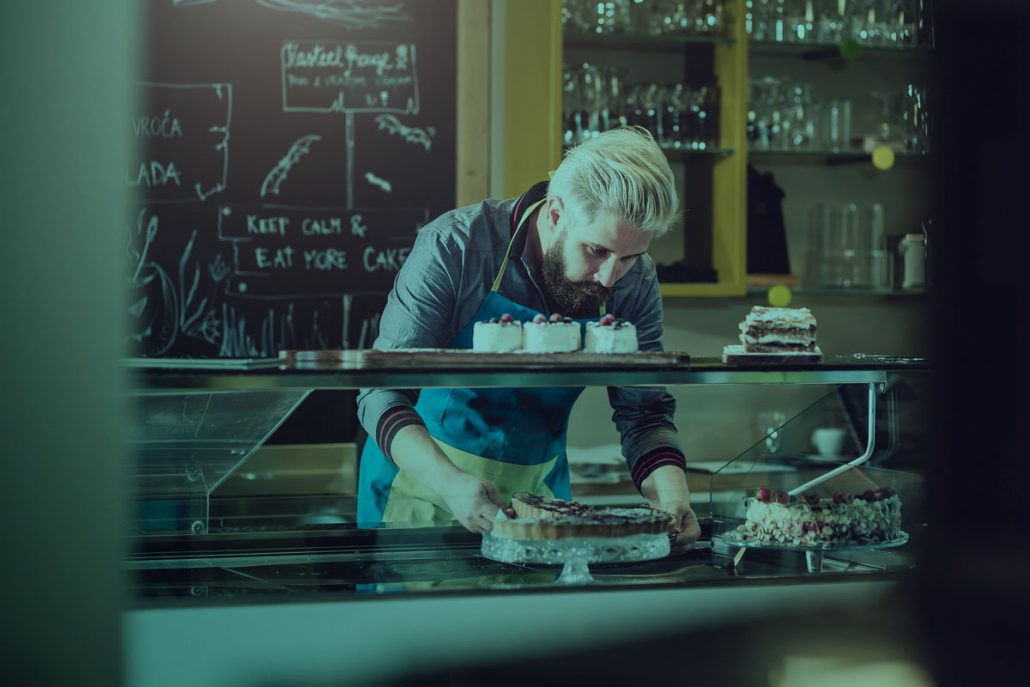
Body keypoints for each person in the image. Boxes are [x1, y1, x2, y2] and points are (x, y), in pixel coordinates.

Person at [356, 126, 700, 549]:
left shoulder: (635, 280)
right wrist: (451, 483)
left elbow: (643, 411)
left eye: (631, 257)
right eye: (597, 251)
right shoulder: (456, 246)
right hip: (421, 492)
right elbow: (380, 393)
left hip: (541, 503)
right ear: (556, 213)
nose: (611, 278)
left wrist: (672, 495)